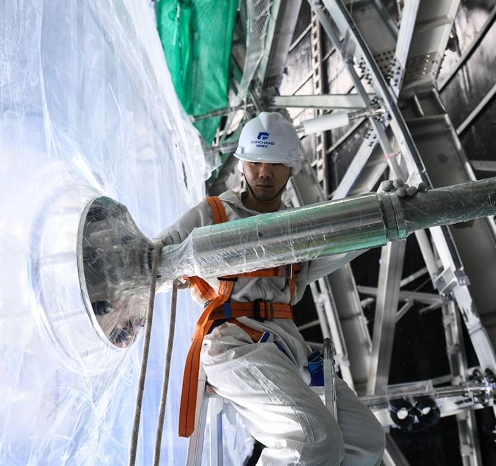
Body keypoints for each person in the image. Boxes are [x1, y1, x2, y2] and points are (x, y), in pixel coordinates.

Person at [157, 112, 388, 465]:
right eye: (256, 162)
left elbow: (334, 249)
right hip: (233, 342)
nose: (264, 172)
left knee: (366, 440)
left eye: (276, 163)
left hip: (285, 345)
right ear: (243, 165)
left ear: (292, 167)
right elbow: (161, 254)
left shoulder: (299, 225)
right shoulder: (214, 213)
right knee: (312, 440)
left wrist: (383, 215)